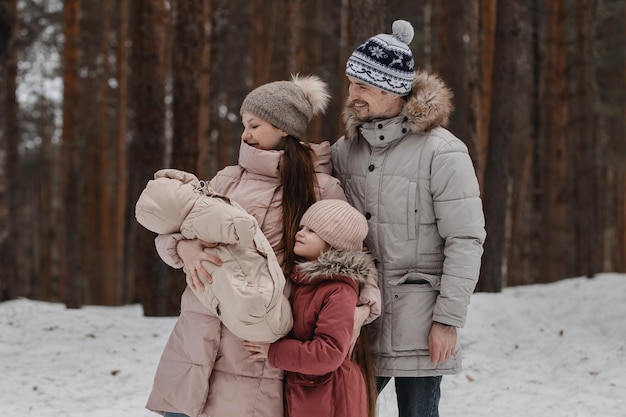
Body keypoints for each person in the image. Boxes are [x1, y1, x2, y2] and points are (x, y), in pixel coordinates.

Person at [145, 74, 381, 417]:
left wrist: (364, 307)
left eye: (254, 124)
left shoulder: (321, 188)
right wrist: (183, 248)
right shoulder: (226, 179)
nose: (245, 134)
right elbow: (172, 224)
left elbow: (351, 252)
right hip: (200, 325)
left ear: (283, 126)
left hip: (255, 340)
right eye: (244, 125)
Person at [332, 20, 487, 417]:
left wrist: (447, 321)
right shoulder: (344, 151)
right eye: (350, 84)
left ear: (391, 89)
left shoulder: (443, 153)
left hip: (419, 323)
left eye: (362, 86)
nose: (351, 96)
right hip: (359, 321)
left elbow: (465, 239)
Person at [243, 199, 378, 417]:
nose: (300, 232)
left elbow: (329, 353)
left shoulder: (339, 290)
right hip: (311, 392)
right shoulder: (305, 281)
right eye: (302, 227)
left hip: (332, 395)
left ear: (335, 243)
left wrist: (274, 351)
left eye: (312, 231)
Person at [135, 168, 292, 342]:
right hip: (223, 313)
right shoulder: (215, 192)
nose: (246, 138)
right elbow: (241, 227)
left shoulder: (187, 221)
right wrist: (180, 246)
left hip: (248, 312)